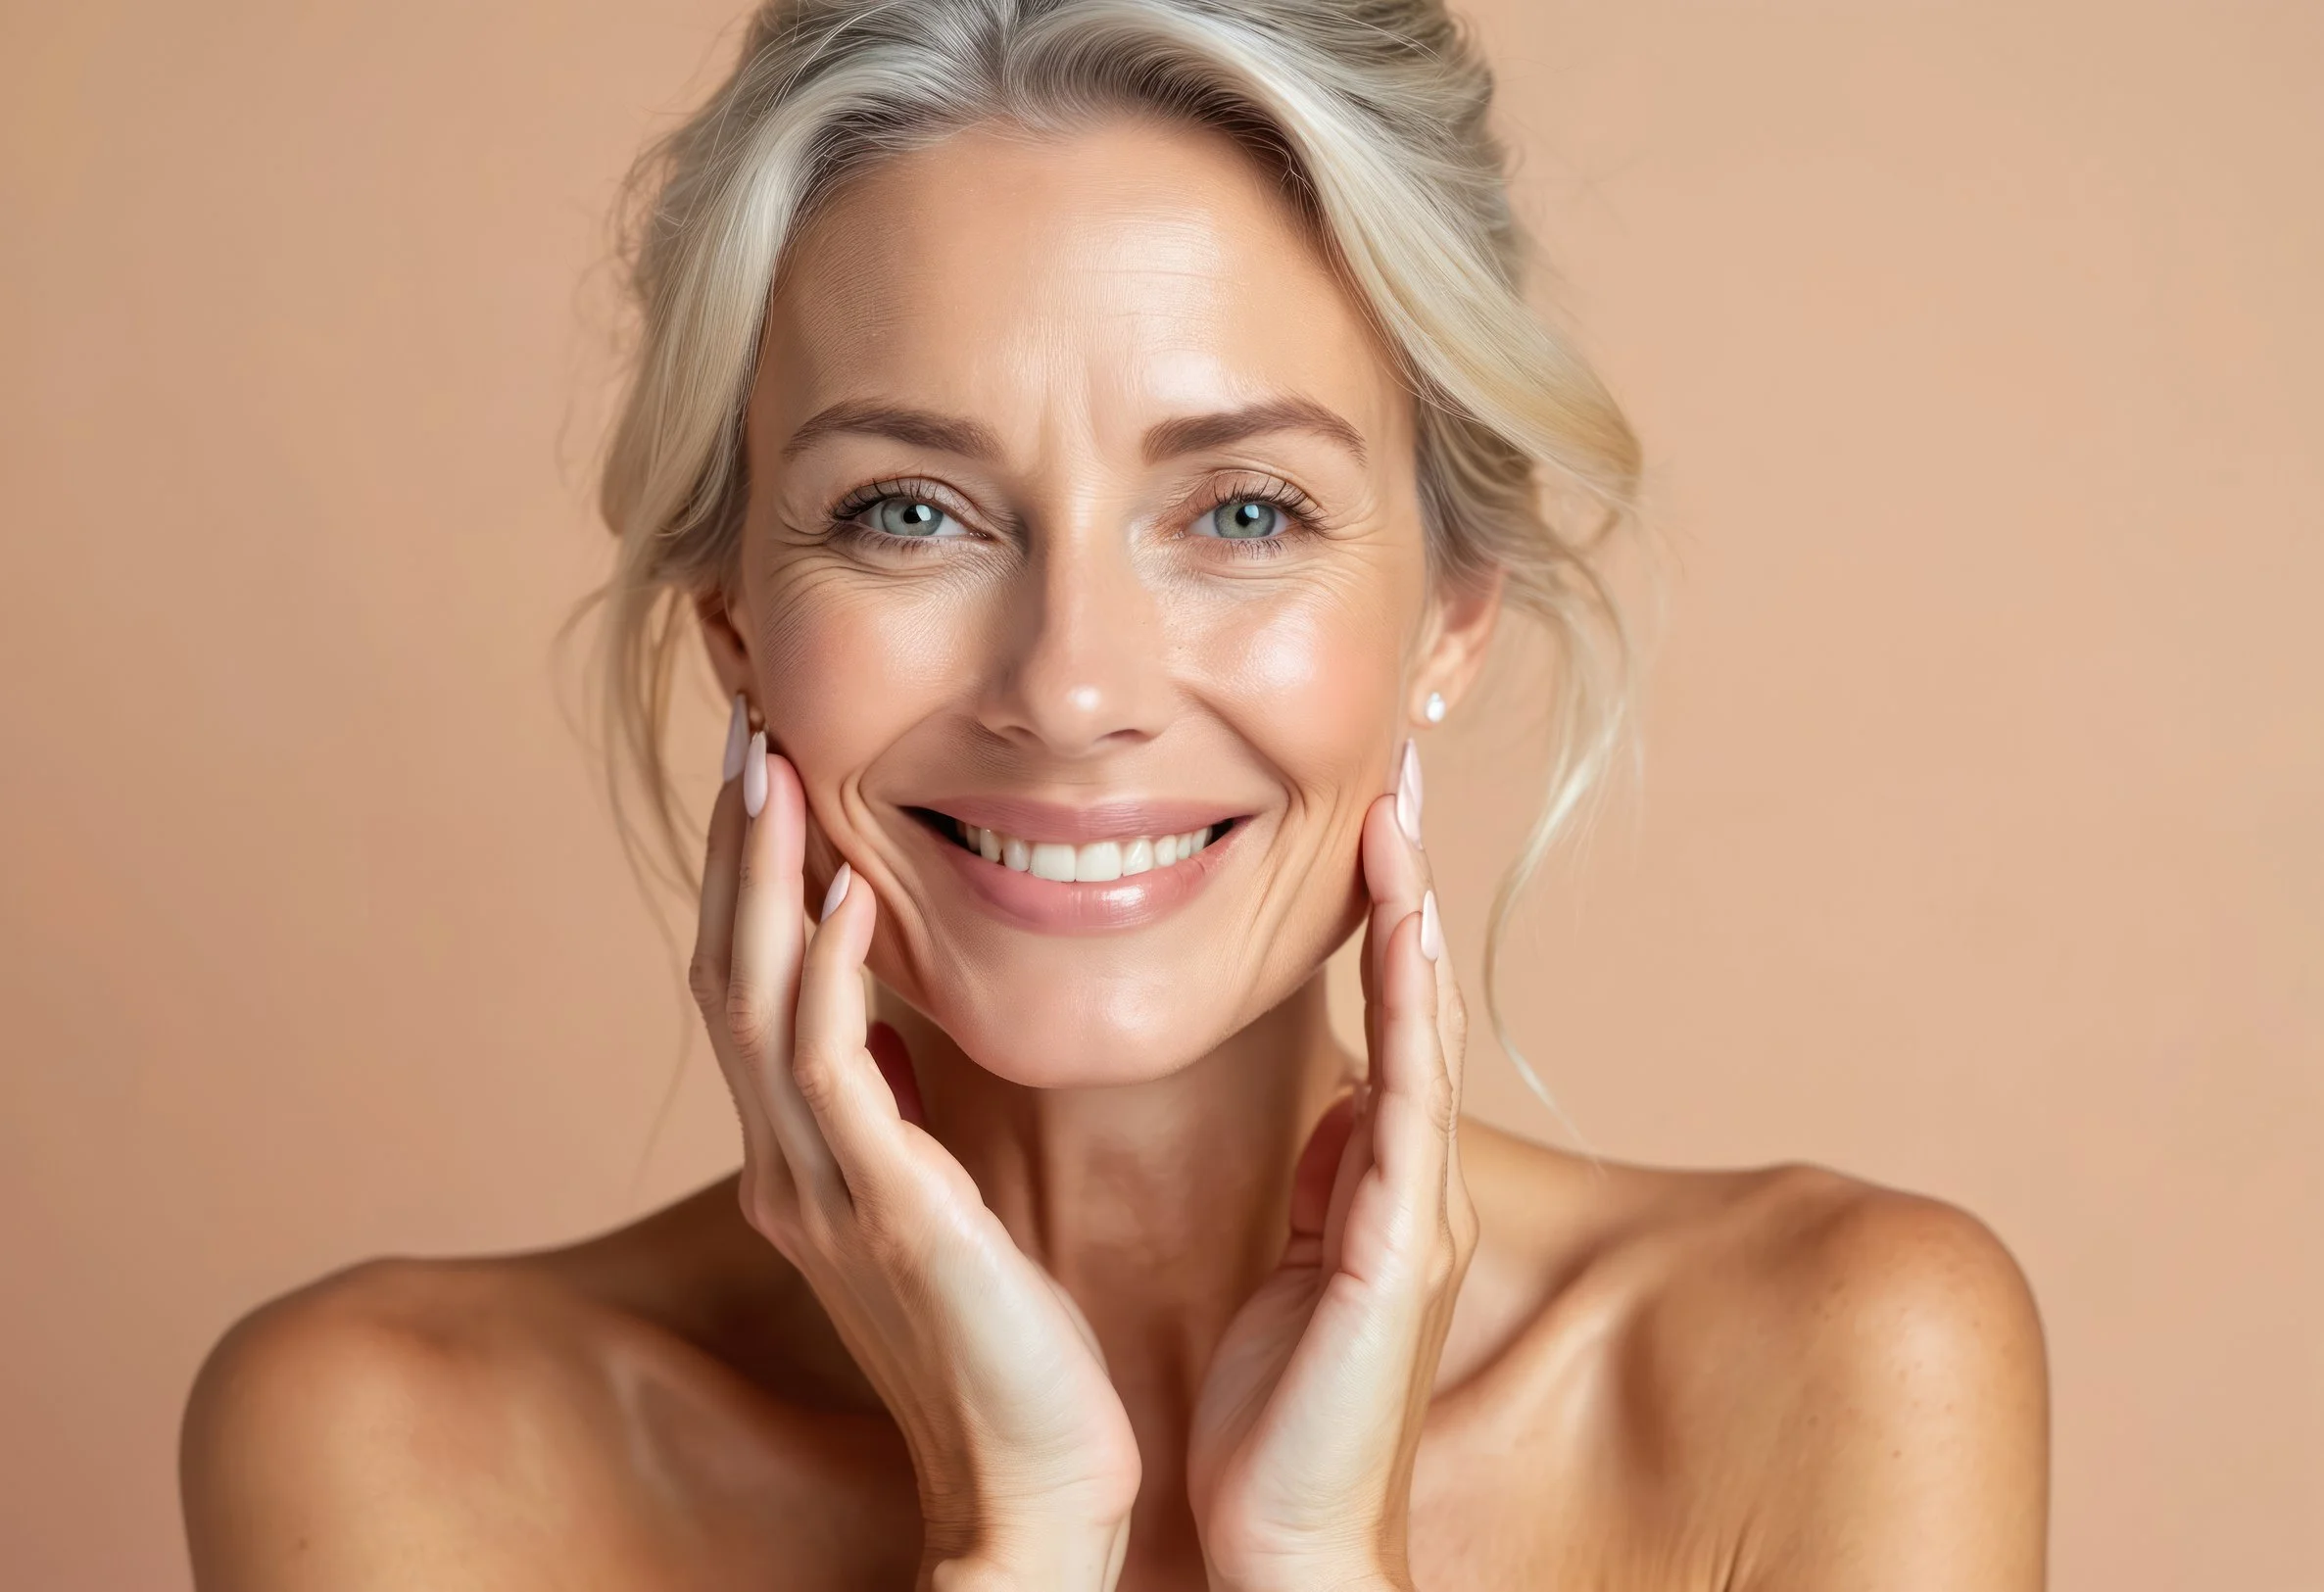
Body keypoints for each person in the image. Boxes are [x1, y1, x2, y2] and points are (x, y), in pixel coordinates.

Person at [178, 0, 2050, 1585]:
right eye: (909, 512)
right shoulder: (400, 1446)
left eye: (1242, 512)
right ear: (739, 628)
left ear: (1450, 617)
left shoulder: (1834, 1367)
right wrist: (1018, 1532)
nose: (1069, 690)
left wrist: (1321, 1563)